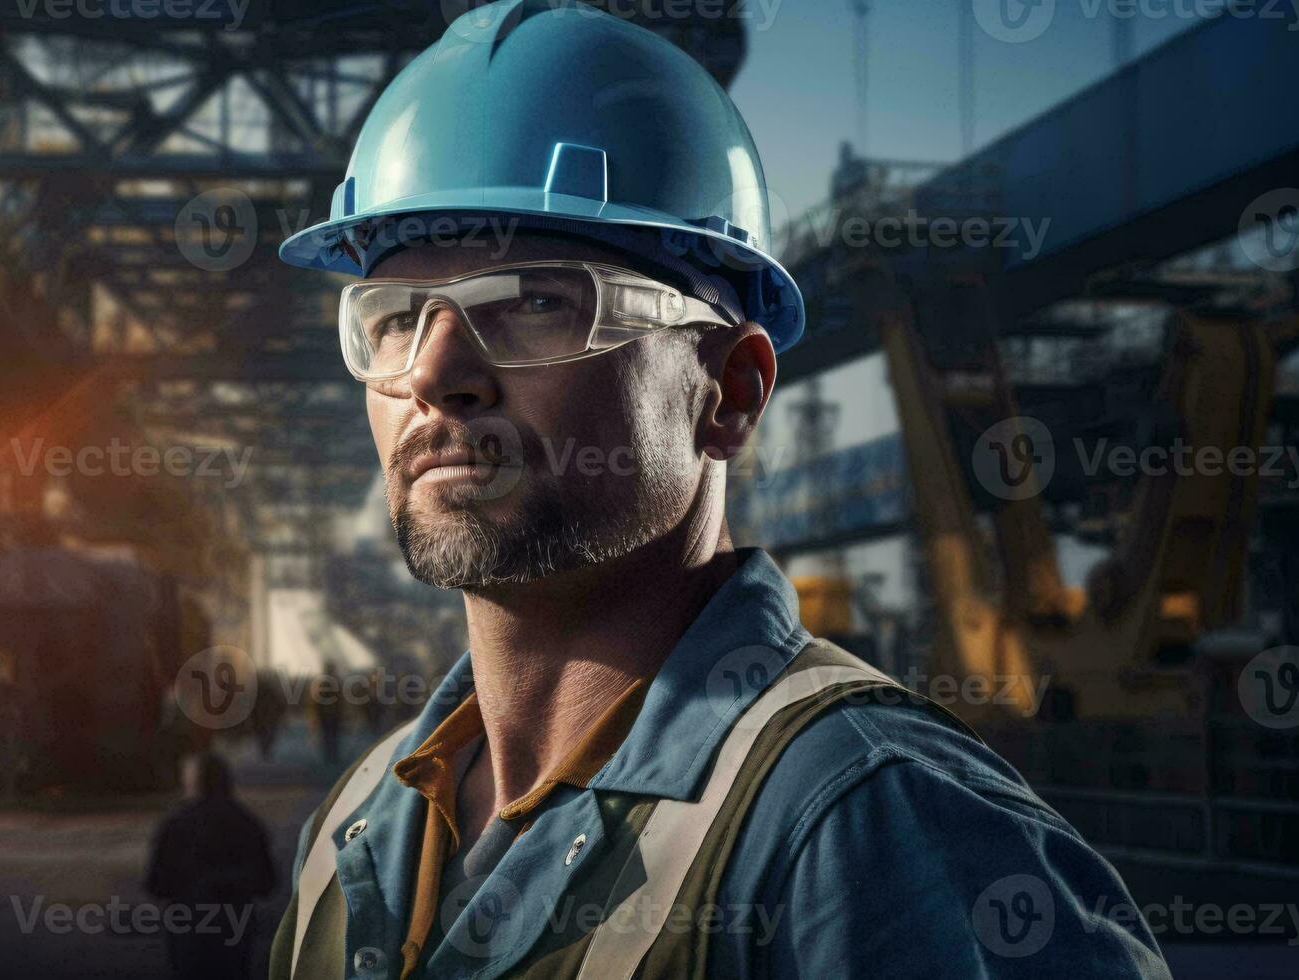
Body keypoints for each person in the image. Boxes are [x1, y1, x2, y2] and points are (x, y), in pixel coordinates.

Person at [266, 3, 1169, 978]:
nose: (437, 373)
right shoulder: (352, 828)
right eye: (395, 317)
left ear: (729, 393)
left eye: (534, 301)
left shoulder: (872, 827)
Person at [145, 751, 276, 979]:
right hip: (234, 925)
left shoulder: (175, 825)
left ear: (192, 783)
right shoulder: (246, 823)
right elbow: (267, 882)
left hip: (188, 924)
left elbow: (156, 884)